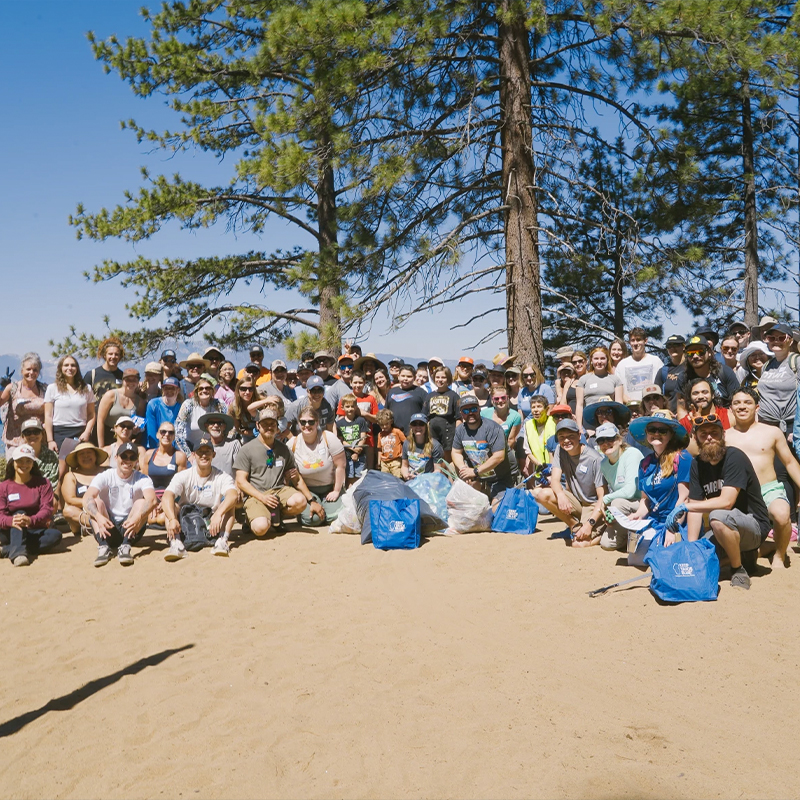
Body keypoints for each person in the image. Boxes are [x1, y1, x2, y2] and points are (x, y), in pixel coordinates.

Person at [682, 416, 771, 590]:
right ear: (696, 438)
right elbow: (695, 508)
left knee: (717, 516)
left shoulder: (734, 456)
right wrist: (692, 547)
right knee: (701, 557)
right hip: (725, 528)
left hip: (753, 525)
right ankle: (745, 557)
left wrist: (686, 506)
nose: (709, 437)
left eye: (714, 433)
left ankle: (738, 570)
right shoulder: (696, 465)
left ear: (723, 435)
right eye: (703, 434)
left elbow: (727, 502)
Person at [725, 387, 800, 571]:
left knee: (782, 516)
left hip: (769, 489)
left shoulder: (772, 432)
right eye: (737, 403)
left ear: (757, 407)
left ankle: (779, 556)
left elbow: (790, 462)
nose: (742, 406)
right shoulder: (724, 436)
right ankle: (766, 546)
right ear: (731, 408)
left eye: (747, 402)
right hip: (739, 494)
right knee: (737, 553)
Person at [234, 408, 315, 536]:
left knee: (300, 501)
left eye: (272, 424)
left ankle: (276, 516)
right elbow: (241, 481)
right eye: (265, 424)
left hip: (279, 491)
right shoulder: (247, 449)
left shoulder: (284, 449)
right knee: (260, 529)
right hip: (256, 495)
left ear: (277, 427)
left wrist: (311, 500)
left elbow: (296, 477)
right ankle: (251, 520)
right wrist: (262, 498)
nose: (269, 427)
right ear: (257, 426)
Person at [161, 435, 238, 559]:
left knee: (230, 506)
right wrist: (172, 519)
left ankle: (222, 541)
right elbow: (167, 496)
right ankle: (176, 543)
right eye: (200, 452)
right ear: (194, 455)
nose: (203, 455)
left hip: (212, 520)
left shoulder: (222, 476)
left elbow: (233, 495)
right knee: (171, 506)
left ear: (214, 454)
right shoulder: (184, 475)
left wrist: (218, 513)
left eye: (207, 452)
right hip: (187, 519)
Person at [532, 419, 606, 547]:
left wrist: (590, 524)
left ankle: (603, 533)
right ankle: (574, 525)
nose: (566, 440)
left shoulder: (594, 459)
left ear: (579, 436)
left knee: (578, 544)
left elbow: (602, 497)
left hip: (593, 505)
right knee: (541, 494)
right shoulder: (560, 451)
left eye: (570, 436)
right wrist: (561, 495)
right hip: (577, 501)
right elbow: (554, 480)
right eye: (562, 437)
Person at [83, 442, 157, 567]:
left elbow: (152, 500)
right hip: (106, 526)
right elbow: (86, 498)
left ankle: (126, 545)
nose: (127, 461)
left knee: (141, 502)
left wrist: (138, 517)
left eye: (132, 457)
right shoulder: (105, 476)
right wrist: (99, 517)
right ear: (116, 458)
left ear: (136, 460)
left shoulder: (143, 478)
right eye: (124, 456)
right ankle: (103, 546)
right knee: (95, 502)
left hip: (131, 527)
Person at [626, 410, 692, 542]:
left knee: (664, 557)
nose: (656, 434)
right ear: (646, 433)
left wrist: (672, 527)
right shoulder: (644, 464)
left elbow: (684, 499)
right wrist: (638, 515)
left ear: (671, 435)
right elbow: (645, 500)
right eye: (652, 429)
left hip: (677, 521)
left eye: (662, 431)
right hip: (654, 521)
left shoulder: (683, 458)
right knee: (635, 558)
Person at [0, 445, 61, 567]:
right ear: (13, 463)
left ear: (33, 464)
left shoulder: (43, 483)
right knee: (19, 513)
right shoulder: (3, 486)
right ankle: (19, 554)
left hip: (35, 528)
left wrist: (31, 520)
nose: (24, 464)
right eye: (20, 461)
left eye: (28, 461)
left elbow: (47, 509)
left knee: (55, 536)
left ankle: (7, 549)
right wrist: (11, 521)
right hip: (9, 529)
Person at [451, 394, 514, 506]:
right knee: (464, 505)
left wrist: (474, 471)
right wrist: (463, 469)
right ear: (461, 413)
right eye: (466, 410)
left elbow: (499, 457)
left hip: (500, 478)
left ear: (479, 409)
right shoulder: (460, 430)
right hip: (479, 478)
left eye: (474, 409)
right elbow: (456, 452)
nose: (470, 413)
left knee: (496, 511)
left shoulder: (493, 428)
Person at [288, 406, 346, 525]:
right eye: (303, 422)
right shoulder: (292, 443)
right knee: (312, 520)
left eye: (311, 421)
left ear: (317, 422)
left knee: (332, 517)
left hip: (330, 487)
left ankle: (328, 505)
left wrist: (336, 490)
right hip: (308, 490)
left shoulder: (328, 438)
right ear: (298, 423)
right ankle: (306, 511)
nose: (307, 425)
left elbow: (340, 466)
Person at [596, 422, 643, 551]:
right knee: (607, 544)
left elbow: (630, 491)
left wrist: (605, 500)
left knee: (616, 502)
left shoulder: (632, 454)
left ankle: (640, 532)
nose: (606, 443)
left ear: (619, 439)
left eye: (610, 439)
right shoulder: (604, 464)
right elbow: (617, 491)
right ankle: (631, 534)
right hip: (625, 506)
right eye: (601, 440)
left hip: (644, 504)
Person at [44, 355, 96, 462]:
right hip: (59, 433)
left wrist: (87, 432)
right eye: (66, 365)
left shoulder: (87, 388)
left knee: (81, 465)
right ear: (61, 368)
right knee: (61, 468)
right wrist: (50, 440)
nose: (70, 368)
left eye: (73, 365)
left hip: (80, 433)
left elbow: (91, 414)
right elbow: (48, 416)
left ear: (77, 368)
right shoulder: (52, 388)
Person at [675, 335, 739, 415]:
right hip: (695, 422)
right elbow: (682, 409)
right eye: (690, 353)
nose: (695, 356)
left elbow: (737, 401)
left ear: (709, 353)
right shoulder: (683, 378)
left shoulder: (724, 372)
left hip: (724, 421)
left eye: (700, 352)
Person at [142, 420, 188, 526]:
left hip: (172, 498)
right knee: (151, 520)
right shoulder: (149, 455)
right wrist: (151, 502)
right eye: (163, 432)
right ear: (158, 435)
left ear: (174, 436)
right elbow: (144, 481)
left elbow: (182, 485)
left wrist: (166, 501)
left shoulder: (179, 456)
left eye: (171, 432)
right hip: (152, 499)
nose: (167, 435)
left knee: (162, 519)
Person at [1, 352, 47, 452]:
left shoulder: (45, 389)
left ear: (39, 372)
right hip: (15, 442)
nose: (31, 372)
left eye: (35, 370)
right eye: (28, 369)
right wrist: (1, 386)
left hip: (38, 441)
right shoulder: (13, 388)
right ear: (22, 371)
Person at [61, 443, 108, 539]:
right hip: (82, 511)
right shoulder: (71, 476)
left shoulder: (108, 472)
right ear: (76, 458)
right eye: (81, 454)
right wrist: (91, 503)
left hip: (106, 509)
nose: (86, 456)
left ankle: (94, 526)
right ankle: (95, 523)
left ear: (95, 455)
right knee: (68, 511)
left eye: (89, 452)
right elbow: (70, 499)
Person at [175, 376, 228, 454]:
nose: (204, 390)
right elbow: (178, 432)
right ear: (196, 391)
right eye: (201, 388)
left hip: (212, 446)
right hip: (190, 446)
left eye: (207, 388)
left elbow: (228, 426)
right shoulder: (188, 404)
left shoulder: (219, 404)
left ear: (212, 391)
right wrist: (188, 454)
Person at [575, 346, 623, 430]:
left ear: (607, 360)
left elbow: (619, 403)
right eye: (596, 359)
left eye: (602, 358)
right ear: (591, 361)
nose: (599, 362)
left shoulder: (615, 379)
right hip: (589, 424)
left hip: (609, 422)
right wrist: (579, 427)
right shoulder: (583, 380)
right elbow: (579, 405)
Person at [96, 368, 146, 448]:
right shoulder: (111, 395)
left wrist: (136, 434)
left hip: (126, 439)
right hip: (107, 437)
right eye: (128, 380)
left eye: (134, 380)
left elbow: (139, 425)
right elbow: (100, 421)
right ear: (123, 380)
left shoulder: (140, 402)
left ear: (138, 382)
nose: (131, 382)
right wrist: (101, 446)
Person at [678, 378, 731, 452]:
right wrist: (695, 425)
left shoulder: (729, 415)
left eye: (705, 392)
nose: (700, 396)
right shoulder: (684, 423)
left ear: (713, 395)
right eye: (695, 393)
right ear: (690, 397)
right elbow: (686, 452)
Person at [481, 386, 522, 478]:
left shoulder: (515, 416)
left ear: (507, 398)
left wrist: (497, 456)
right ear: (492, 400)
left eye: (503, 398)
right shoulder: (483, 414)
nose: (500, 401)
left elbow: (511, 440)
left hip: (504, 452)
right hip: (484, 450)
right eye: (496, 398)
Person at [614, 328, 665, 402]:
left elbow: (663, 386)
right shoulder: (622, 364)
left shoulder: (655, 361)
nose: (635, 343)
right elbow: (619, 390)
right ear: (629, 342)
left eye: (638, 340)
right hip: (631, 409)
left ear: (645, 341)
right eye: (632, 340)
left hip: (652, 407)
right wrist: (632, 403)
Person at [423, 366, 460, 460]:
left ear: (448, 379)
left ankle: (449, 474)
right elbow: (424, 416)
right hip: (432, 431)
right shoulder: (429, 396)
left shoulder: (454, 396)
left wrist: (457, 434)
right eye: (437, 377)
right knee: (433, 455)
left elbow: (459, 417)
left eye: (443, 377)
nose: (440, 380)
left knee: (448, 457)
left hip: (449, 431)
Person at [18, 419, 59, 494]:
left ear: (42, 434)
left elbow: (54, 482)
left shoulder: (52, 456)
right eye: (28, 433)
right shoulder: (17, 457)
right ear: (22, 436)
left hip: (47, 496)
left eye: (36, 432)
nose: (32, 435)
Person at [336, 395, 369, 486]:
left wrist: (357, 452)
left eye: (352, 406)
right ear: (342, 407)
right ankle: (350, 496)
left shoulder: (360, 421)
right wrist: (353, 449)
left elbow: (363, 437)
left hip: (360, 454)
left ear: (356, 407)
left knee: (360, 478)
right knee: (349, 478)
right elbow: (341, 440)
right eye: (347, 406)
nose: (350, 409)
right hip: (347, 455)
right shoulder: (339, 423)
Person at [386, 364, 428, 433]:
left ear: (414, 377)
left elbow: (426, 413)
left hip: (413, 433)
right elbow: (386, 412)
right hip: (394, 433)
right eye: (403, 376)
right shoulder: (391, 392)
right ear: (398, 376)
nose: (405, 379)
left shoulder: (421, 392)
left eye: (409, 376)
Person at [521, 396, 557, 475]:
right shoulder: (527, 425)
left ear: (547, 409)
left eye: (539, 406)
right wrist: (540, 465)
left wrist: (551, 466)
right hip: (540, 471)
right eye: (533, 407)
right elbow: (528, 450)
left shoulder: (554, 422)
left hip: (557, 469)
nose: (536, 410)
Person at [198, 412, 240, 477]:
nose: (216, 425)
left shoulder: (234, 445)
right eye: (211, 423)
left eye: (219, 423)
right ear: (206, 426)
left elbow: (240, 471)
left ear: (224, 426)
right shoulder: (201, 447)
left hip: (229, 485)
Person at [402, 413, 444, 479]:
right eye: (414, 424)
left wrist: (423, 479)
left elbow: (438, 470)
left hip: (428, 482)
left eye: (421, 424)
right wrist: (406, 475)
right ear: (411, 427)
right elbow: (404, 466)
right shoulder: (406, 443)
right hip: (411, 481)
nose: (418, 427)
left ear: (426, 426)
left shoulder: (435, 445)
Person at [83, 337, 124, 405]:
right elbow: (83, 398)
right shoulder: (92, 375)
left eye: (116, 354)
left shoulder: (123, 376)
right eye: (110, 354)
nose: (113, 357)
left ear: (120, 357)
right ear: (104, 355)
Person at [145, 376, 182, 449]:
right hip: (156, 447)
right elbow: (151, 432)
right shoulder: (153, 404)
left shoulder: (181, 408)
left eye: (172, 388)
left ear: (178, 390)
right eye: (166, 388)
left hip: (175, 448)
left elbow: (180, 434)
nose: (169, 391)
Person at [657, 334, 688, 411]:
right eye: (669, 346)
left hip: (689, 415)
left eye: (676, 345)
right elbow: (657, 396)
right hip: (670, 417)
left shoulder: (691, 368)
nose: (672, 348)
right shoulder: (664, 371)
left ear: (684, 347)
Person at [376, 408, 406, 478]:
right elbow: (380, 449)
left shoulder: (396, 431)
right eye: (382, 425)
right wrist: (379, 461)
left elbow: (406, 443)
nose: (384, 426)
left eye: (386, 424)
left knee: (397, 478)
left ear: (391, 421)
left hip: (396, 460)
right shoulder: (380, 434)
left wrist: (403, 453)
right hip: (384, 462)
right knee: (385, 479)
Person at [228, 377, 258, 443]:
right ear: (238, 390)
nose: (247, 392)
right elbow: (238, 429)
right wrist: (253, 432)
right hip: (246, 438)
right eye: (243, 389)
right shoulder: (233, 407)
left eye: (250, 389)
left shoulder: (260, 401)